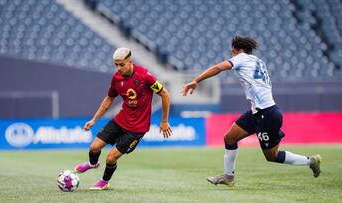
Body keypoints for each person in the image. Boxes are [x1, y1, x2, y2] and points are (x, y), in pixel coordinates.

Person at [182, 36, 322, 187]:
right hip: (257, 112)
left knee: (272, 156)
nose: (232, 53)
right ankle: (228, 178)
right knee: (229, 138)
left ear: (239, 50)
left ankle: (310, 161)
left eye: (232, 50)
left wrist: (196, 80)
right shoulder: (258, 61)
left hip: (266, 114)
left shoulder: (241, 58)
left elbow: (218, 68)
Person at [75, 47, 172, 190]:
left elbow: (165, 94)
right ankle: (92, 164)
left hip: (137, 129)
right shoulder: (116, 78)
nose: (118, 68)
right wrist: (94, 119)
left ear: (130, 62)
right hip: (120, 120)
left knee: (111, 158)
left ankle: (104, 181)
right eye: (116, 64)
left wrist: (164, 121)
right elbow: (109, 99)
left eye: (121, 64)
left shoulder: (145, 76)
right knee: (94, 147)